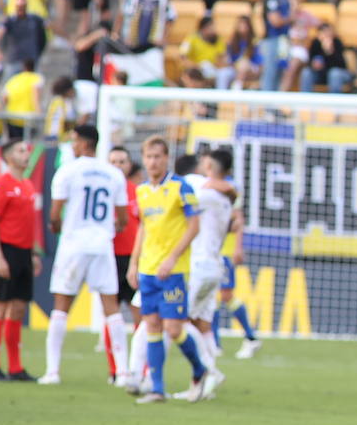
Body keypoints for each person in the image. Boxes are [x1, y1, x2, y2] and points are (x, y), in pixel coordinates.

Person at [41, 124, 129, 386]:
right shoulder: (113, 174)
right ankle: (123, 373)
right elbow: (122, 218)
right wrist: (109, 228)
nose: (72, 145)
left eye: (74, 140)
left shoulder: (67, 171)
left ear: (83, 142)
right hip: (101, 245)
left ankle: (53, 371)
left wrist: (58, 226)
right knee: (111, 308)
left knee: (61, 306)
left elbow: (54, 214)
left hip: (73, 245)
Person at [126, 136, 209, 404]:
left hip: (173, 271)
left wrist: (172, 258)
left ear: (166, 158)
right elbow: (143, 227)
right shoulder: (142, 191)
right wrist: (134, 263)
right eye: (148, 157)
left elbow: (194, 226)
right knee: (151, 326)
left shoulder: (181, 187)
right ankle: (157, 389)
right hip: (148, 269)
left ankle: (199, 369)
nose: (153, 162)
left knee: (173, 328)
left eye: (157, 157)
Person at [177, 150, 234, 399]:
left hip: (199, 266)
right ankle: (204, 386)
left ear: (209, 164)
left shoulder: (202, 192)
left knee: (177, 322)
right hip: (215, 265)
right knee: (202, 324)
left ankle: (209, 371)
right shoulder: (224, 196)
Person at [0, 139, 40, 382]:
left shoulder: (27, 185)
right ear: (8, 157)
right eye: (20, 150)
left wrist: (33, 253)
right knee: (0, 306)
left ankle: (15, 368)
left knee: (18, 308)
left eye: (26, 150)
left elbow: (28, 222)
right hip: (6, 251)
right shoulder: (1, 185)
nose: (26, 154)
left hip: (24, 252)